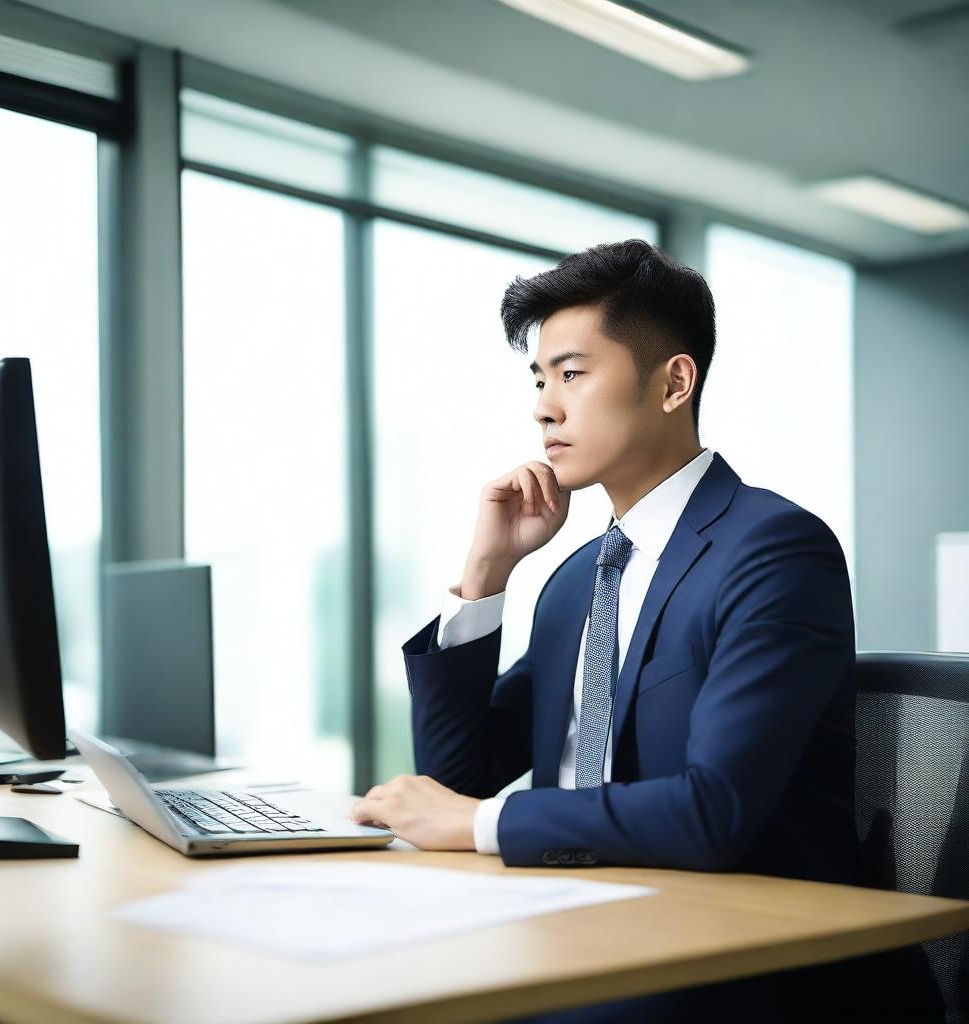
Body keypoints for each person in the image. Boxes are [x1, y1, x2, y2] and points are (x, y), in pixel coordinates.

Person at [349, 239, 942, 1022]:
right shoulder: (577, 580)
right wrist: (486, 577)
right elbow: (458, 777)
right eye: (539, 379)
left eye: (572, 372)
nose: (543, 406)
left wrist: (481, 824)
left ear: (673, 382)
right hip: (582, 927)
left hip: (744, 965)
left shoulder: (773, 549)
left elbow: (712, 813)